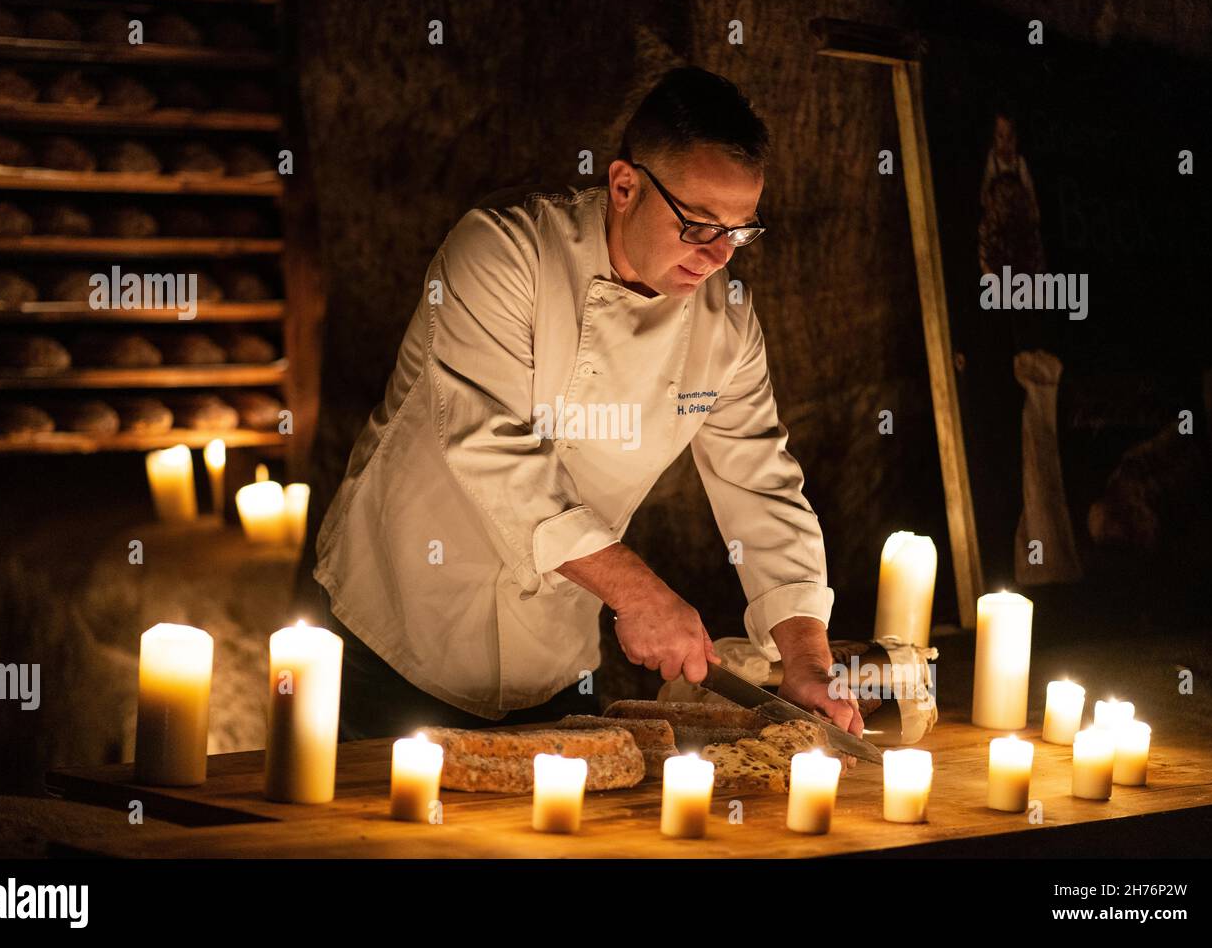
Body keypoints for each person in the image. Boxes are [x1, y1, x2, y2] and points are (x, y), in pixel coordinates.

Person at [314, 66, 864, 741]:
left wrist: (807, 659)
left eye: (740, 232)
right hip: (395, 635)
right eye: (697, 225)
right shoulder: (503, 250)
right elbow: (491, 443)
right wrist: (639, 594)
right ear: (625, 185)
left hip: (554, 658)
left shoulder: (727, 326)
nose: (719, 255)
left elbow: (761, 485)